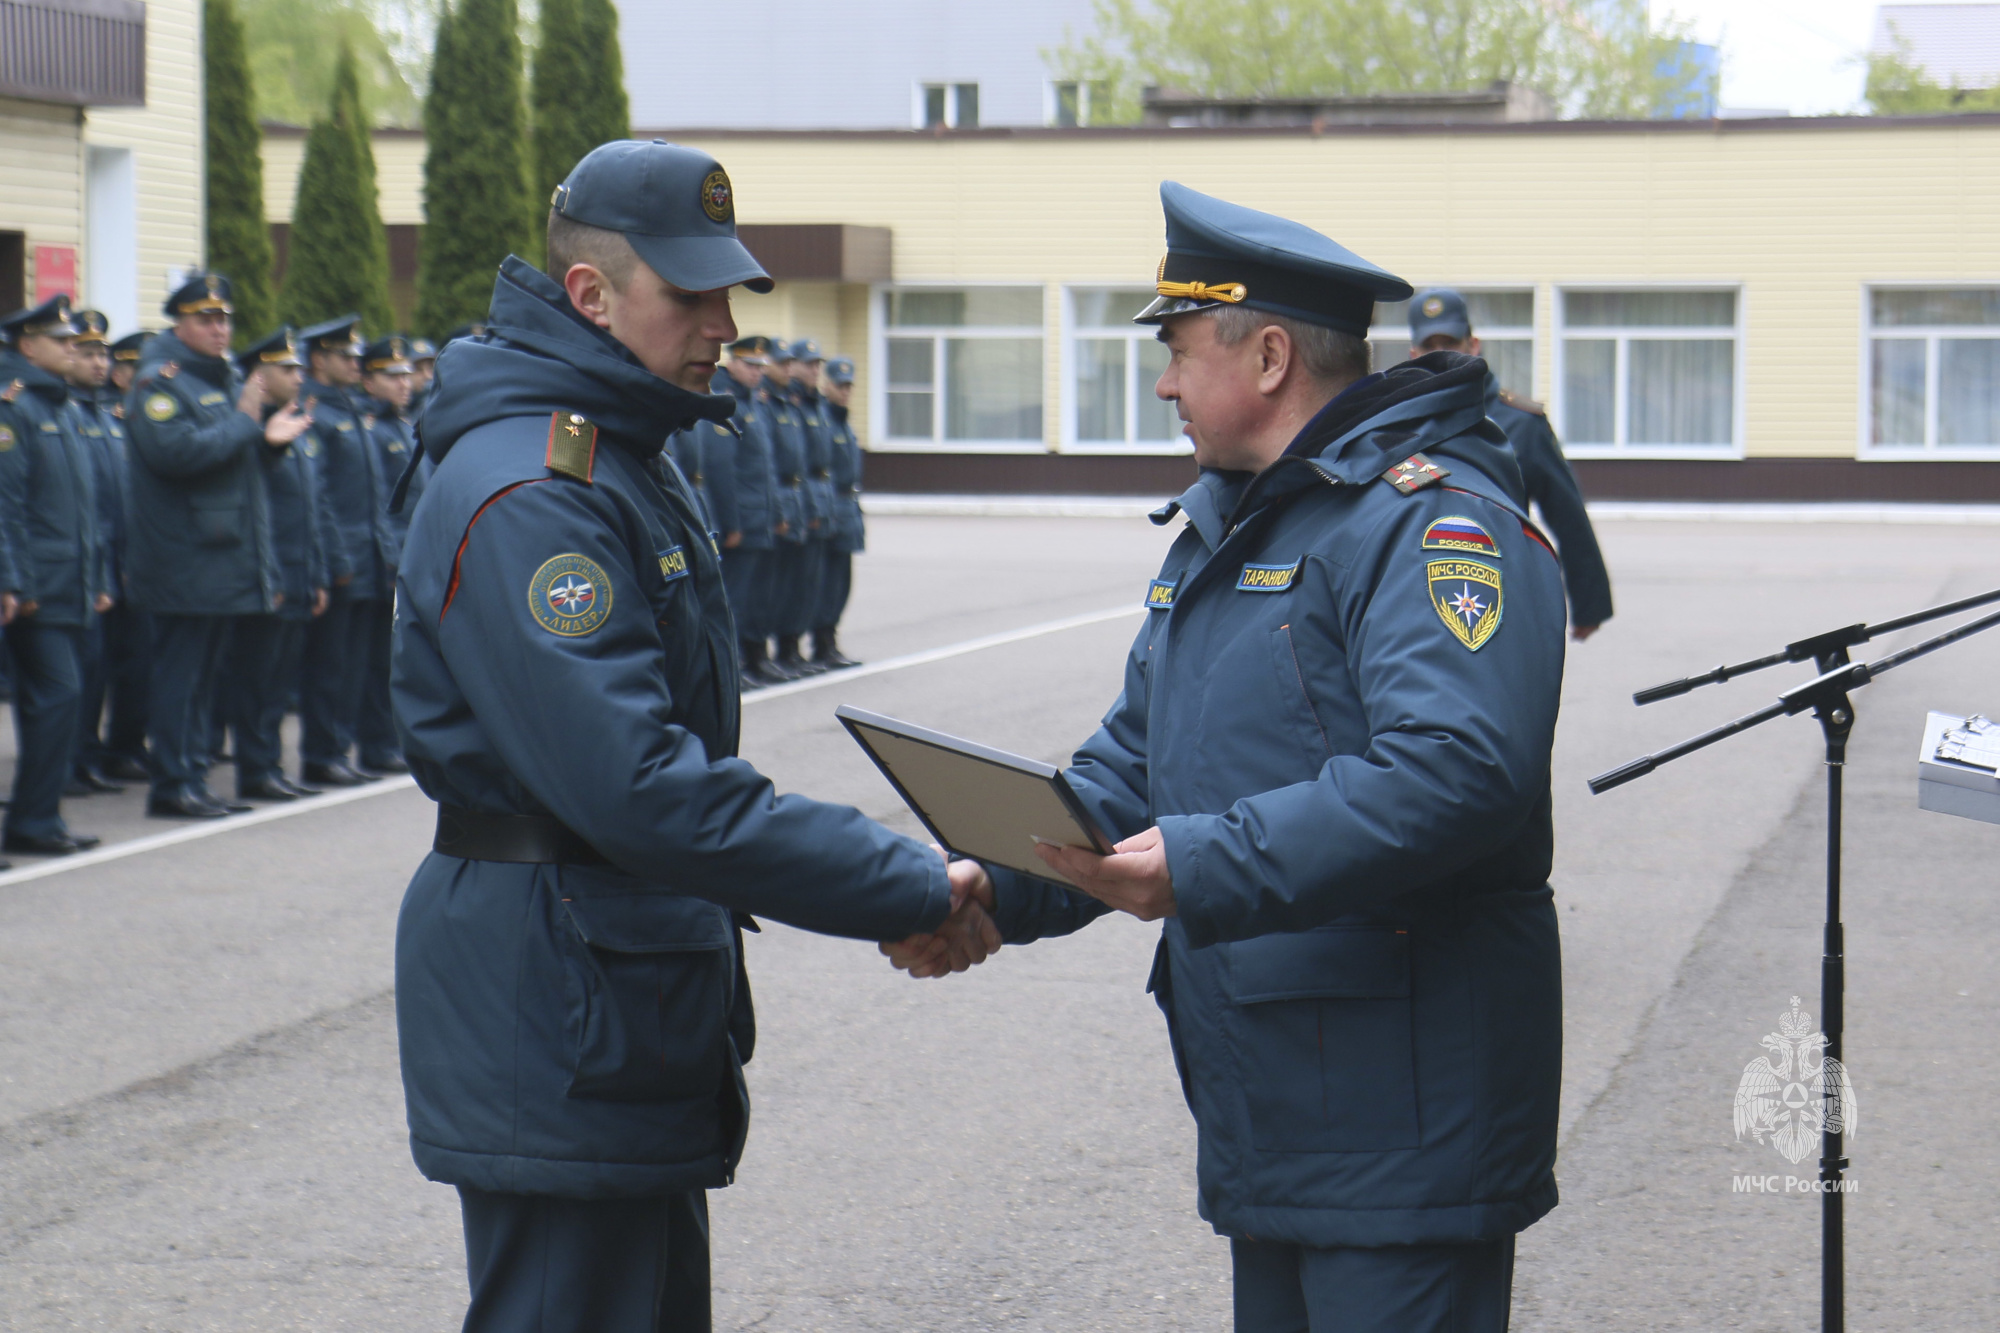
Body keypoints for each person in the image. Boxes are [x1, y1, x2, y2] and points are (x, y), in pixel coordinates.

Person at [888, 183, 1568, 1333]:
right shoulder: (1236, 526)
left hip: (1398, 1113)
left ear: (1264, 357)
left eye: (1176, 350)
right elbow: (1132, 766)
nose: (1160, 383)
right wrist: (992, 885)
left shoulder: (1427, 521)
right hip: (1278, 1102)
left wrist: (1202, 861)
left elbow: (1455, 770)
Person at [390, 139, 998, 1333]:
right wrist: (901, 881)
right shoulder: (536, 487)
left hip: (612, 982)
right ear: (590, 294)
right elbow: (640, 782)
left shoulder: (617, 451)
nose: (722, 322)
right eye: (690, 293)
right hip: (560, 990)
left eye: (729, 289)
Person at [125, 273, 308, 819]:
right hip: (183, 556)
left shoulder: (224, 378)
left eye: (224, 318)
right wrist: (247, 422)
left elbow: (235, 462)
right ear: (178, 324)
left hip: (219, 554)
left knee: (204, 678)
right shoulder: (160, 381)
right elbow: (176, 455)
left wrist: (265, 443)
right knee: (181, 677)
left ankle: (193, 778)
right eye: (206, 318)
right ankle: (172, 783)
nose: (219, 328)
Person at [1408, 288, 1612, 638]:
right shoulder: (1400, 423)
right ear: (1414, 355)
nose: (1441, 355)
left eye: (1451, 343)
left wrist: (1588, 603)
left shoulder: (1522, 424)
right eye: (1430, 346)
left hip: (1502, 591)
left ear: (1474, 345)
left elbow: (1567, 514)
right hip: (1418, 596)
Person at [0, 295, 109, 855]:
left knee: (63, 701)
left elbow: (83, 511)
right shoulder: (14, 405)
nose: (74, 349)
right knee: (59, 695)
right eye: (62, 341)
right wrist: (15, 581)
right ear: (27, 346)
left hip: (69, 584)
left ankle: (38, 818)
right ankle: (32, 820)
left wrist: (97, 578)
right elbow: (7, 504)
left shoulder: (61, 406)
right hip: (37, 588)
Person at [227, 327, 328, 802]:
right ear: (259, 376)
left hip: (298, 572)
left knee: (277, 681)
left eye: (299, 367)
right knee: (256, 681)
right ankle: (255, 769)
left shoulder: (293, 422)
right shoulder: (251, 430)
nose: (298, 375)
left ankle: (269, 765)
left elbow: (313, 508)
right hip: (268, 577)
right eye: (287, 368)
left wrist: (318, 572)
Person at [296, 315, 391, 788]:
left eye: (356, 355)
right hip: (343, 558)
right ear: (319, 360)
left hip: (368, 555)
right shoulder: (317, 413)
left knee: (360, 665)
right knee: (330, 666)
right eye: (344, 356)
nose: (355, 363)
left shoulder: (352, 410)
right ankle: (322, 752)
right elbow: (322, 497)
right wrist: (336, 558)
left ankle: (348, 746)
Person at [62, 309, 131, 794]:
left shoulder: (108, 419)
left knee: (99, 670)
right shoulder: (66, 416)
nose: (97, 362)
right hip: (82, 566)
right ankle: (65, 763)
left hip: (113, 564)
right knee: (75, 674)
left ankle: (87, 755)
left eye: (102, 353)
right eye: (87, 353)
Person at [354, 335, 420, 774]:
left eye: (405, 374)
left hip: (406, 555)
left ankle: (387, 741)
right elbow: (378, 502)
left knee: (393, 661)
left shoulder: (403, 425)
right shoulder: (373, 430)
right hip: (384, 556)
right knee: (370, 661)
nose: (403, 383)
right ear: (369, 381)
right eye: (390, 375)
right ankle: (373, 744)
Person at [95, 331, 154, 781]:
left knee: (139, 662)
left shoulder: (144, 420)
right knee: (97, 667)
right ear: (121, 375)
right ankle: (88, 753)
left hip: (139, 561)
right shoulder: (104, 418)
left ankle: (127, 744)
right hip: (104, 559)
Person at [717, 335, 783, 687]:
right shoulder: (726, 403)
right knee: (734, 600)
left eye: (760, 367)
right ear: (731, 363)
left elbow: (765, 470)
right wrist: (731, 522)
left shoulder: (755, 404)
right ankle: (733, 665)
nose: (757, 373)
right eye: (749, 365)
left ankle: (755, 658)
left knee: (758, 596)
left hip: (760, 518)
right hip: (742, 520)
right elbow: (723, 471)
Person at [759, 340, 814, 677]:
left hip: (794, 501)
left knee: (796, 585)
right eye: (783, 363)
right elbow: (768, 466)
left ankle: (789, 650)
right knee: (768, 588)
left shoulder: (788, 403)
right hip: (775, 503)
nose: (790, 369)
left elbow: (801, 464)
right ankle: (759, 655)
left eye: (791, 363)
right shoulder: (764, 403)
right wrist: (779, 512)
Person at [811, 355, 862, 669]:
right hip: (830, 508)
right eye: (839, 385)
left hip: (847, 507)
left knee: (841, 582)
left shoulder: (842, 419)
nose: (844, 391)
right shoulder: (824, 420)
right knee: (825, 582)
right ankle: (820, 642)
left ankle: (830, 640)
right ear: (826, 385)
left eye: (849, 386)